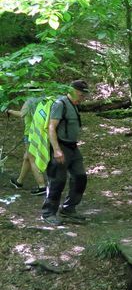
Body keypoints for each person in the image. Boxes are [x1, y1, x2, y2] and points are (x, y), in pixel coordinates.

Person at [42, 80, 90, 225]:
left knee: (80, 177)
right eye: (82, 94)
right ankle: (48, 213)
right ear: (73, 90)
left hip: (73, 148)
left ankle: (69, 209)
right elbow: (51, 127)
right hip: (61, 147)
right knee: (57, 181)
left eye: (84, 94)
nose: (83, 97)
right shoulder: (60, 104)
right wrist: (56, 150)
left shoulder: (74, 105)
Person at [6, 96, 46, 195]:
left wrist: (9, 111)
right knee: (27, 157)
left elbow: (22, 114)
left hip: (30, 133)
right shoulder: (45, 100)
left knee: (32, 159)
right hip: (41, 132)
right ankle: (19, 182)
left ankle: (42, 186)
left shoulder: (30, 101)